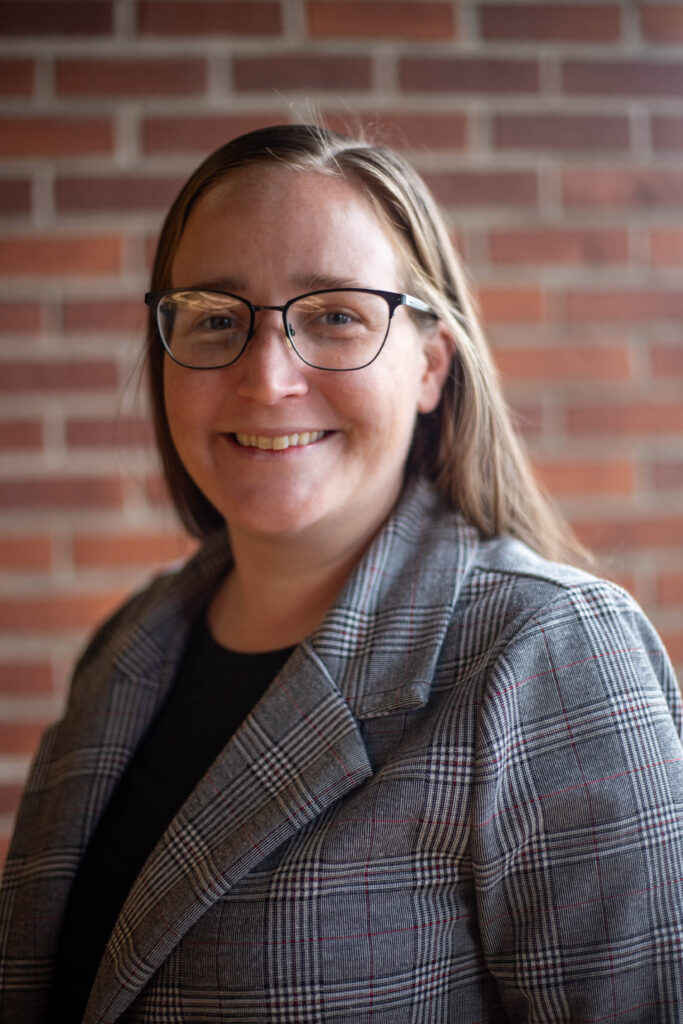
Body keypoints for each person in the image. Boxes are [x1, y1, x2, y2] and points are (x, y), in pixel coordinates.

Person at [0, 124, 681, 1024]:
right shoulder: (125, 646)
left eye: (334, 315)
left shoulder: (549, 653)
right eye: (214, 316)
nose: (267, 376)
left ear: (431, 366)